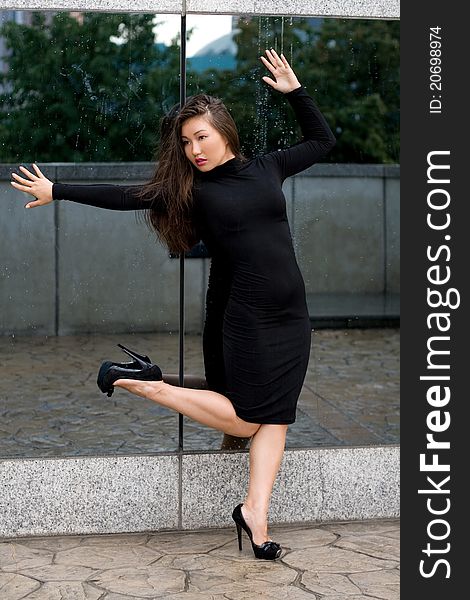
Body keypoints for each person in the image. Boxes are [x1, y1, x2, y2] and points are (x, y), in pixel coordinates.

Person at [11, 49, 335, 560]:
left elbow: (322, 140)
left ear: (223, 130)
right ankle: (144, 382)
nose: (194, 149)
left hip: (293, 315)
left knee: (278, 416)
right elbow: (125, 196)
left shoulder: (268, 168)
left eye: (201, 136)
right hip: (246, 315)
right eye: (186, 142)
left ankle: (256, 514)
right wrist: (59, 189)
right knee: (250, 418)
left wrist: (296, 92)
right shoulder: (192, 191)